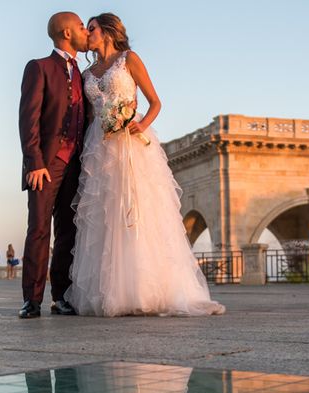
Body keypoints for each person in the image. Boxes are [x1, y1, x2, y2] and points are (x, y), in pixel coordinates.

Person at [65, 13, 224, 317]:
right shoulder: (87, 73)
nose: (89, 32)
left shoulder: (129, 59)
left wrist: (140, 124)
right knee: (105, 214)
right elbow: (87, 116)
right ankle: (113, 290)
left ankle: (146, 287)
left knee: (137, 210)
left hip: (130, 139)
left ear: (108, 31)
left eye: (93, 28)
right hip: (98, 145)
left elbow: (155, 102)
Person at [17, 12, 89, 318]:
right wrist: (34, 162)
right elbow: (28, 118)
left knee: (68, 230)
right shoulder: (39, 68)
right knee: (39, 230)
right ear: (68, 33)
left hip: (75, 165)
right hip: (46, 165)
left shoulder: (83, 74)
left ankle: (61, 296)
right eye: (83, 27)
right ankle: (31, 300)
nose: (87, 31)